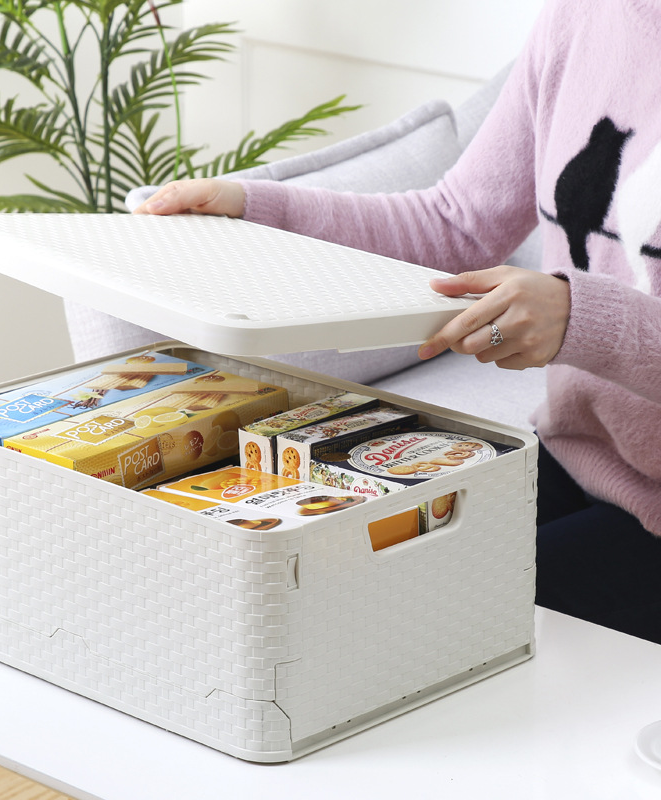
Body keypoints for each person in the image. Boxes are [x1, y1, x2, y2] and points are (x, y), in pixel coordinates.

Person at [133, 0, 661, 643]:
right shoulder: (586, 15)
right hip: (577, 453)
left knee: (433, 626)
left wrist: (584, 318)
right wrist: (255, 212)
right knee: (322, 590)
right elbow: (458, 222)